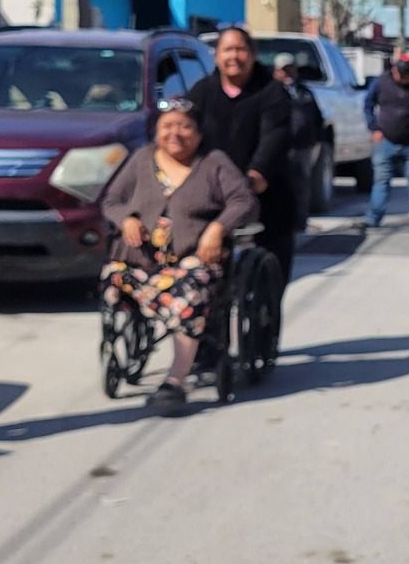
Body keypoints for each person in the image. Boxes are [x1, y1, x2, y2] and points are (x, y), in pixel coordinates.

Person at [99, 99, 258, 417]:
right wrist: (126, 220)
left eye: (185, 126)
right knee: (112, 275)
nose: (176, 133)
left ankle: (175, 380)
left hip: (192, 262)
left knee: (191, 290)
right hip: (141, 262)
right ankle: (168, 325)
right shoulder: (142, 159)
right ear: (156, 131)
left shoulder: (214, 162)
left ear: (199, 134)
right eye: (167, 126)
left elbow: (243, 199)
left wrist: (216, 228)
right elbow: (111, 200)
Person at [186, 27, 295, 287]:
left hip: (266, 197)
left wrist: (257, 174)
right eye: (227, 50)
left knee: (268, 283)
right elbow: (185, 133)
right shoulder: (202, 92)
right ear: (216, 56)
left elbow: (275, 137)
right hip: (213, 198)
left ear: (252, 54)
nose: (233, 56)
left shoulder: (272, 92)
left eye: (240, 49)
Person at [363, 52, 409, 229]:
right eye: (400, 76)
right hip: (385, 140)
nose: (403, 80)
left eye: (407, 77)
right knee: (381, 180)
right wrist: (374, 128)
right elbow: (368, 105)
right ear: (394, 70)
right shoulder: (381, 82)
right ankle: (373, 218)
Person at [270, 51, 326, 227]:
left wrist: (317, 137)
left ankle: (300, 221)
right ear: (276, 72)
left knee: (301, 185)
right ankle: (280, 222)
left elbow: (317, 117)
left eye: (290, 69)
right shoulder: (269, 93)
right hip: (279, 148)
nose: (287, 73)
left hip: (303, 147)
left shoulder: (305, 92)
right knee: (279, 186)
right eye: (283, 70)